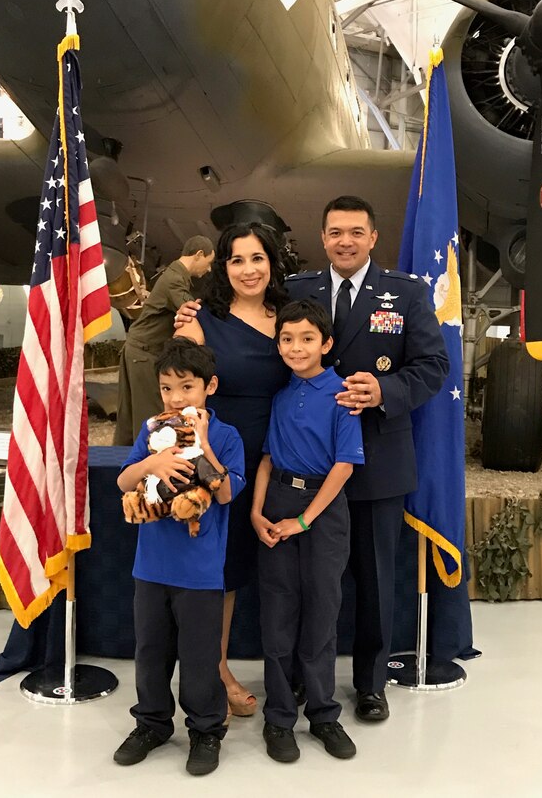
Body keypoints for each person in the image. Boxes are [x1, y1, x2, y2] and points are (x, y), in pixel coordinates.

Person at [284, 195, 449, 722]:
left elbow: (433, 365)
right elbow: (243, 318)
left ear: (374, 237)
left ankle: (371, 684)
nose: (345, 241)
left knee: (376, 581)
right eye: (335, 232)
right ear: (323, 237)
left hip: (378, 459)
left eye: (356, 232)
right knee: (310, 580)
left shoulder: (404, 294)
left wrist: (384, 391)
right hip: (307, 466)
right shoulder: (296, 291)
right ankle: (305, 679)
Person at [113, 338, 245, 776]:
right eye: (167, 388)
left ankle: (206, 730)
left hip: (200, 572)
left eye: (186, 387)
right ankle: (151, 722)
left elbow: (225, 491)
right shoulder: (153, 431)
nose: (175, 397)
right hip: (151, 567)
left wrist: (202, 444)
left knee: (199, 657)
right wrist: (154, 465)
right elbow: (123, 480)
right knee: (150, 652)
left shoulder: (227, 436)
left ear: (210, 387)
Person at [174, 222, 290, 717]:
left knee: (278, 571)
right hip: (223, 458)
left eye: (257, 258)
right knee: (220, 574)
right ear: (223, 267)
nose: (248, 269)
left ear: (272, 263)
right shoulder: (202, 319)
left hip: (283, 458)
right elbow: (180, 394)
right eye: (237, 259)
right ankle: (214, 671)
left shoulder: (291, 316)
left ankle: (294, 680)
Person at [251, 299, 363, 763]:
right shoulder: (280, 396)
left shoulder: (341, 394)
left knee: (321, 611)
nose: (296, 348)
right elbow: (267, 459)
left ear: (327, 344)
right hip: (277, 502)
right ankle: (279, 717)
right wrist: (257, 513)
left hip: (322, 511)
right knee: (278, 615)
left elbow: (344, 466)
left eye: (307, 338)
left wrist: (304, 520)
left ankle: (323, 713)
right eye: (287, 339)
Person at [114, 235, 215, 446]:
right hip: (144, 352)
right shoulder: (175, 280)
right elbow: (191, 312)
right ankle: (147, 469)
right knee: (150, 418)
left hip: (138, 350)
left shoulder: (174, 276)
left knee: (130, 416)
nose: (209, 269)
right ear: (198, 255)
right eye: (209, 262)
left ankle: (124, 465)